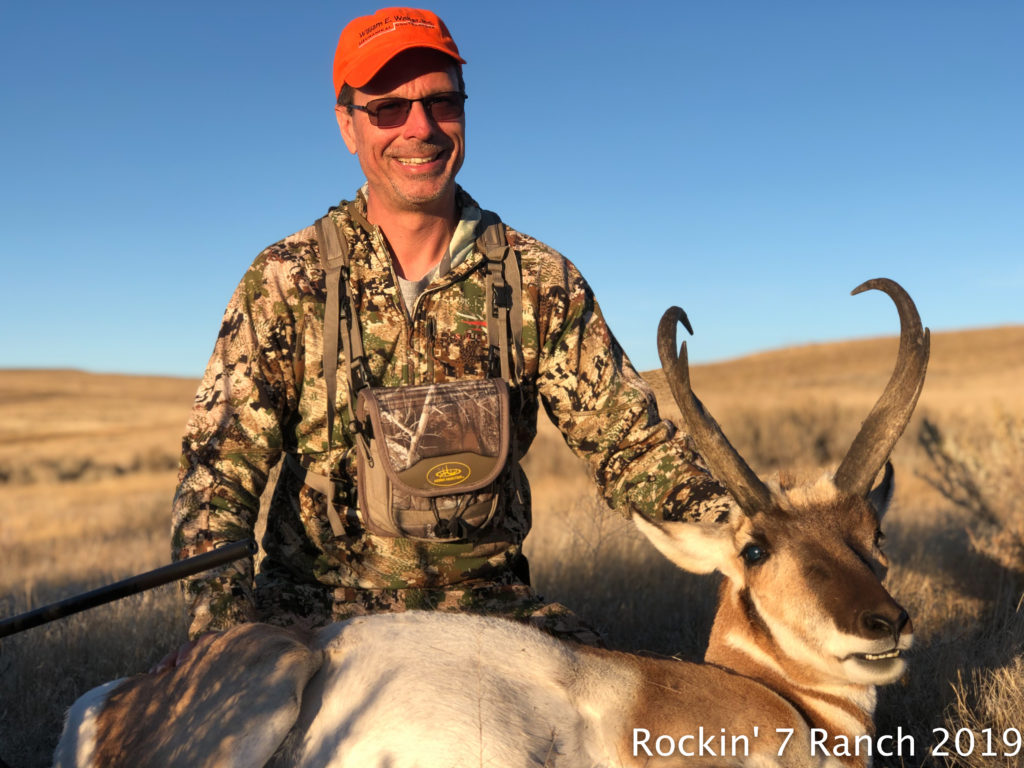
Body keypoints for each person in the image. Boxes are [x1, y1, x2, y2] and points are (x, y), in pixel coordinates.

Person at [171, 7, 733, 648]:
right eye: (388, 108)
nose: (421, 127)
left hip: (493, 616)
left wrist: (750, 529)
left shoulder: (538, 279)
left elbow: (633, 450)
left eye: (442, 101)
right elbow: (218, 473)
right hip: (311, 617)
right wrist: (218, 633)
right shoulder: (285, 280)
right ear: (347, 125)